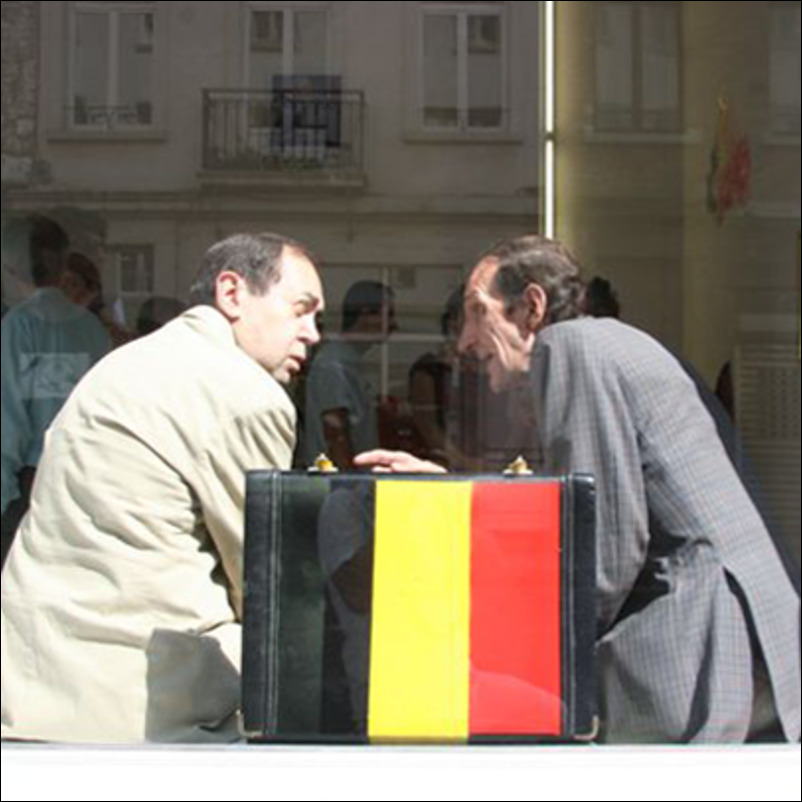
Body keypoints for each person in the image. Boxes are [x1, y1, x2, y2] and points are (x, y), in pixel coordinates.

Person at [357, 235, 801, 744]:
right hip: (736, 647)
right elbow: (588, 512)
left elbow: (605, 547)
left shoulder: (569, 347)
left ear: (532, 307)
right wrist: (451, 497)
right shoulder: (610, 345)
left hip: (696, 649)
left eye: (478, 313)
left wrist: (525, 655)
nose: (465, 342)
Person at [0, 232, 323, 743]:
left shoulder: (129, 361)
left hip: (34, 687)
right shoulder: (243, 393)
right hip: (144, 712)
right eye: (301, 310)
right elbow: (268, 587)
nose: (312, 333)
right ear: (232, 293)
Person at [1, 215, 111, 568]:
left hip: (29, 483)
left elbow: (9, 418)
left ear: (12, 266)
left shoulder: (19, 325)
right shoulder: (91, 329)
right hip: (85, 479)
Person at [303, 280, 395, 469]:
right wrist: (350, 485)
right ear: (366, 314)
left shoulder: (350, 360)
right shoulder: (333, 364)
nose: (394, 324)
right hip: (338, 485)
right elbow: (336, 435)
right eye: (389, 314)